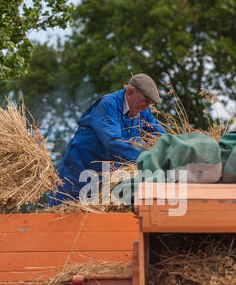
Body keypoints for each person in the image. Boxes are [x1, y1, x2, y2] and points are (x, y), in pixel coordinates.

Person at [48, 73, 166, 205]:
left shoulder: (142, 112)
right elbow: (113, 143)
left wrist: (175, 152)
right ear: (130, 92)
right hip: (78, 171)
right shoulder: (108, 105)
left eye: (149, 104)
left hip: (103, 176)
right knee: (60, 214)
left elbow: (160, 137)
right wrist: (147, 161)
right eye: (144, 101)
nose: (146, 108)